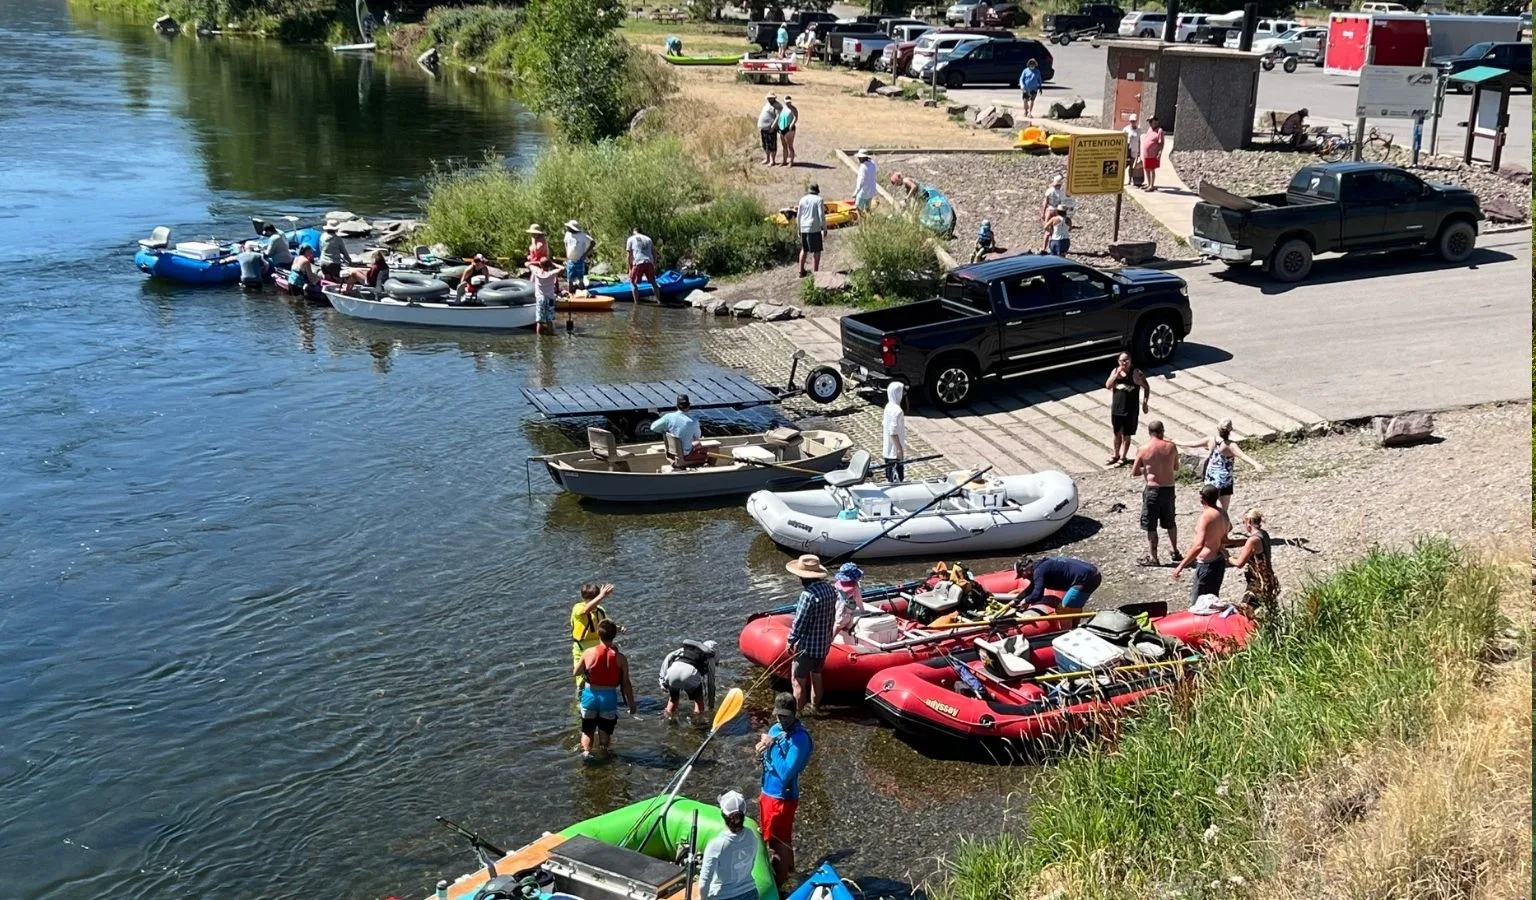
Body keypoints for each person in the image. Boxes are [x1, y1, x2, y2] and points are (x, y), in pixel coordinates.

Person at [757, 692, 813, 889]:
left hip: (782, 797)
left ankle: (779, 886)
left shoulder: (800, 740)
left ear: (794, 714)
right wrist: (761, 751)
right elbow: (770, 759)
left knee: (776, 843)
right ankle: (790, 874)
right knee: (779, 839)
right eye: (778, 715)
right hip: (767, 792)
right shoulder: (775, 728)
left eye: (785, 716)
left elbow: (786, 773)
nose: (781, 720)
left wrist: (770, 747)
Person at [572, 619, 636, 760]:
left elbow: (575, 672)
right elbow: (626, 683)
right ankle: (604, 753)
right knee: (605, 731)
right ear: (614, 636)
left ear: (599, 635)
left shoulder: (588, 653)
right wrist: (631, 703)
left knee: (587, 730)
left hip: (590, 695)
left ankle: (586, 755)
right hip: (608, 698)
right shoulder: (621, 658)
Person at [785, 554, 836, 712]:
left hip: (807, 647)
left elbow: (800, 621)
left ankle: (798, 715)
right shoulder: (830, 589)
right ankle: (815, 708)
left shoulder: (807, 596)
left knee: (798, 681)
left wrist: (791, 640)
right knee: (817, 677)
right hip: (823, 645)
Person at [1131, 420, 1180, 567]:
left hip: (1153, 490)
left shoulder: (1143, 449)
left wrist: (1146, 470)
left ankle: (1154, 557)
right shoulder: (1171, 447)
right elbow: (1176, 467)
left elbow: (1134, 472)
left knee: (1151, 525)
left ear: (1149, 433)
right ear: (1162, 431)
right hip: (1169, 488)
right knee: (1170, 521)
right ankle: (1174, 551)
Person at [1172, 484, 1232, 604]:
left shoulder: (1206, 517)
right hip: (1219, 562)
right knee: (1212, 602)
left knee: (1197, 604)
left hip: (1207, 564)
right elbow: (1227, 533)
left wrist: (1180, 566)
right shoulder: (1223, 513)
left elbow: (1199, 546)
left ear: (1202, 498)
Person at [1189, 418, 1263, 511]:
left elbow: (1193, 443)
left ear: (1218, 428)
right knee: (1223, 510)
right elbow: (1243, 456)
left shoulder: (1211, 440)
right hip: (1224, 481)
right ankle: (1222, 524)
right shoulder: (1230, 445)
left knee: (1209, 509)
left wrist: (1176, 441)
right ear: (1230, 430)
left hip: (1210, 480)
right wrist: (1255, 464)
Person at [699, 791, 760, 900]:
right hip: (751, 893)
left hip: (723, 896)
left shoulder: (716, 845)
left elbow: (704, 882)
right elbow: (752, 862)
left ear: (722, 814)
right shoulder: (751, 835)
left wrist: (703, 898)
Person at [1228, 508, 1280, 620]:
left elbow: (1239, 563)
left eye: (1244, 522)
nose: (1244, 525)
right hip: (1268, 578)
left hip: (1258, 581)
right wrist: (1229, 542)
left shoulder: (1253, 540)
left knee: (1246, 611)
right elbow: (1246, 543)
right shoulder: (1263, 534)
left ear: (1249, 522)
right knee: (1265, 612)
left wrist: (1227, 556)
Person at [1004, 556, 1102, 610]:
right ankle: (1075, 624)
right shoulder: (1039, 567)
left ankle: (1073, 628)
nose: (1023, 578)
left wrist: (1026, 601)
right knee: (1074, 605)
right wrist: (1016, 600)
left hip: (1088, 578)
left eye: (1022, 575)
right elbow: (1032, 588)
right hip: (1092, 573)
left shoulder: (1039, 571)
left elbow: (1037, 594)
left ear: (1026, 569)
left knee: (1065, 607)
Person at [1105, 352, 1150, 465]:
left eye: (1126, 360)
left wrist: (1145, 403)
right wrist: (1117, 375)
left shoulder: (1136, 373)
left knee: (1126, 434)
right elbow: (1108, 385)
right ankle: (1116, 454)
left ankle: (1123, 457)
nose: (1124, 363)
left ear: (1130, 361)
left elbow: (1146, 387)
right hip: (1117, 408)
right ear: (1118, 361)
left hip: (1130, 409)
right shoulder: (1115, 371)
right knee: (1116, 433)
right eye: (1122, 361)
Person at [657, 639, 718, 718]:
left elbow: (668, 657)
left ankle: (668, 721)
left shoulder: (686, 649)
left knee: (673, 700)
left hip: (672, 671)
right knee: (698, 702)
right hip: (690, 674)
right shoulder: (710, 657)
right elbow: (711, 683)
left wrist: (662, 680)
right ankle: (698, 725)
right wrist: (711, 706)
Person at [570, 582, 613, 692]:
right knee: (581, 680)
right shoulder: (578, 608)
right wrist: (602, 595)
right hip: (581, 648)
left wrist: (618, 628)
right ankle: (579, 700)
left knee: (599, 677)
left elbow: (603, 625)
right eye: (595, 599)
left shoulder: (600, 610)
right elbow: (586, 610)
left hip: (598, 647)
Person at [648, 394, 707, 464]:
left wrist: (665, 431)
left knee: (696, 444)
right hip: (685, 455)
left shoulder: (668, 417)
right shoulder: (693, 421)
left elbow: (653, 427)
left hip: (672, 453)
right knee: (713, 448)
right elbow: (697, 437)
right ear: (689, 406)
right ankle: (709, 469)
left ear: (677, 406)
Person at [795, 183, 827, 278]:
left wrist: (799, 229)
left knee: (804, 250)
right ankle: (816, 273)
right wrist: (824, 228)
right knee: (817, 251)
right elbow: (821, 215)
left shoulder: (802, 199)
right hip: (814, 228)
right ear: (817, 191)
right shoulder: (819, 200)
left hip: (804, 227)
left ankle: (801, 271)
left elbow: (799, 215)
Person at [625, 227, 662, 304]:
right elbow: (654, 253)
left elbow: (629, 255)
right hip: (649, 262)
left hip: (638, 262)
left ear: (634, 232)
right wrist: (654, 264)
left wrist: (630, 268)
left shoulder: (631, 239)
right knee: (653, 282)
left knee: (633, 282)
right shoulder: (648, 239)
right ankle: (659, 301)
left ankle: (637, 303)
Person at [831, 563, 864, 644]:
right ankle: (831, 639)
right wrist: (862, 611)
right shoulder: (855, 588)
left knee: (838, 618)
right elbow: (858, 600)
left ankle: (831, 636)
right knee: (840, 623)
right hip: (846, 610)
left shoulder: (839, 583)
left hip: (838, 604)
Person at [881, 381, 906, 482]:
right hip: (894, 452)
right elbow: (893, 432)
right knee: (897, 477)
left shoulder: (888, 406)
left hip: (887, 450)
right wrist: (899, 449)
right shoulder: (898, 411)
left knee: (889, 475)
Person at [531, 258, 561, 335]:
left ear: (540, 265)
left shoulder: (536, 271)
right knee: (549, 319)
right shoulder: (551, 273)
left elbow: (526, 263)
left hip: (540, 298)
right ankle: (551, 335)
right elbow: (562, 268)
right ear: (549, 265)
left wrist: (537, 262)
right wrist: (553, 263)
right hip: (550, 298)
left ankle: (539, 338)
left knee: (540, 321)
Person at [562, 220, 594, 290]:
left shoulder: (582, 235)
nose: (567, 228)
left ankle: (582, 292)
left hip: (579, 259)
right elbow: (565, 242)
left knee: (580, 279)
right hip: (570, 260)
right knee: (570, 279)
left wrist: (585, 254)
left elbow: (592, 242)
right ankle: (571, 292)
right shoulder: (567, 234)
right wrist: (566, 251)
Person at [1140, 116, 1165, 192]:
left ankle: (1152, 185)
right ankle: (1148, 184)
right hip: (1146, 153)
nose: (1150, 123)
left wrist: (1159, 153)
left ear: (1156, 121)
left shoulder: (1159, 131)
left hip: (1153, 153)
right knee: (1146, 168)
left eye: (1151, 121)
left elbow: (1161, 143)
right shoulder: (1150, 129)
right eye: (1149, 122)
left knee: (1151, 169)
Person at [757, 94, 781, 166]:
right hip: (763, 128)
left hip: (770, 128)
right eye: (768, 98)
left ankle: (772, 160)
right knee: (765, 145)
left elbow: (778, 117)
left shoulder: (777, 106)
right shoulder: (767, 104)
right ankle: (767, 159)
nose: (769, 99)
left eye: (771, 98)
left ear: (774, 98)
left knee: (772, 145)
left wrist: (773, 127)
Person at [852, 149, 878, 214]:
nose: (858, 159)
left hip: (863, 192)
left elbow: (861, 181)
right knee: (867, 208)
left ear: (862, 158)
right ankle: (868, 220)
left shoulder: (863, 167)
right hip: (871, 190)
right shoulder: (872, 164)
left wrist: (856, 192)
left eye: (859, 158)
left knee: (858, 208)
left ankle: (861, 221)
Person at [776, 97, 799, 168]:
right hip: (781, 128)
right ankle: (784, 161)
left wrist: (791, 125)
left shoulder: (793, 108)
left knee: (790, 146)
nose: (788, 103)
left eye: (789, 101)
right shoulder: (783, 108)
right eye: (787, 101)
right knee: (784, 145)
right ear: (784, 101)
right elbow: (779, 117)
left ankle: (791, 162)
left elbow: (795, 117)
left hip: (789, 129)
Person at [1122, 114, 1141, 185]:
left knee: (1131, 166)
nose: (1133, 122)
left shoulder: (1139, 130)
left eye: (1134, 121)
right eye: (1131, 121)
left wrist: (1139, 151)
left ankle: (1130, 180)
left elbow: (1139, 140)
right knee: (1124, 165)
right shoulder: (1126, 129)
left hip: (1134, 150)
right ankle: (1121, 179)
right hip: (1127, 150)